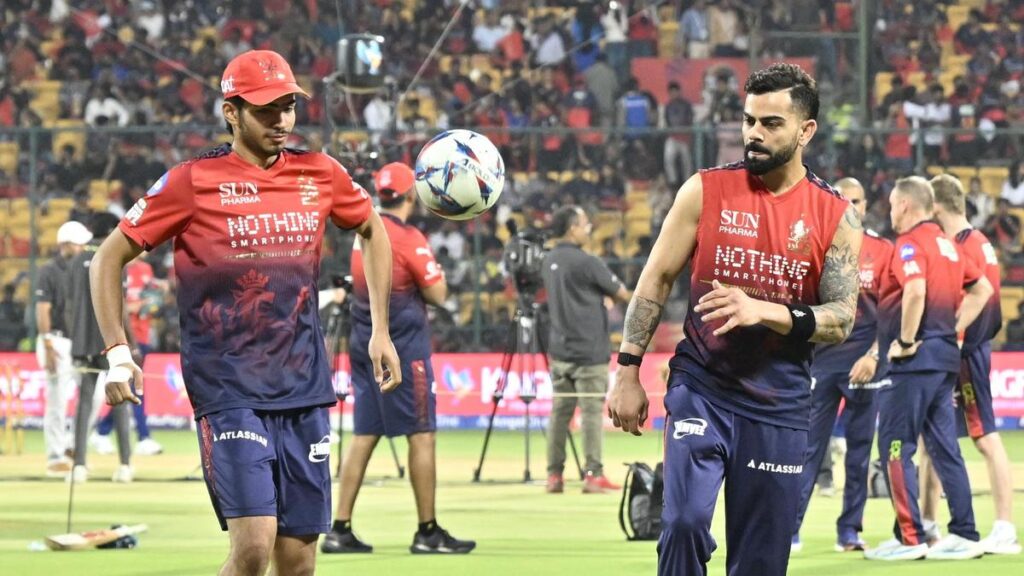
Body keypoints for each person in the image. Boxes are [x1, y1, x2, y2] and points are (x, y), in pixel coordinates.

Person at [89, 50, 402, 576]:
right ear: (231, 112)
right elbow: (107, 258)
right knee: (254, 548)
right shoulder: (192, 181)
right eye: (265, 109)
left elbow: (373, 228)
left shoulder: (321, 173)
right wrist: (118, 353)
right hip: (228, 388)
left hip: (304, 386)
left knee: (298, 562)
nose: (281, 120)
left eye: (288, 107)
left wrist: (381, 331)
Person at [608, 63, 863, 576]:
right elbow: (655, 279)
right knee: (682, 522)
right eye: (749, 120)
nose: (754, 133)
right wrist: (628, 370)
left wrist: (763, 310)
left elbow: (841, 318)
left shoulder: (835, 216)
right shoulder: (704, 191)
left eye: (771, 123)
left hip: (780, 405)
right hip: (702, 387)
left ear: (806, 131)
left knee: (761, 561)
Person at [321, 163, 474, 555]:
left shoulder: (363, 232)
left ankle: (339, 528)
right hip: (403, 348)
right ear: (411, 196)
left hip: (363, 343)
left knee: (364, 435)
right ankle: (427, 531)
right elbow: (437, 294)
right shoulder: (406, 237)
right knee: (421, 434)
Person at [865, 176, 992, 561]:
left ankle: (910, 538)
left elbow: (916, 290)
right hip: (944, 360)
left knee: (894, 446)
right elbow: (983, 289)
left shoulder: (910, 244)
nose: (890, 211)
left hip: (912, 364)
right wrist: (949, 329)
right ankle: (965, 533)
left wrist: (906, 341)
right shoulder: (948, 245)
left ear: (905, 204)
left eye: (892, 204)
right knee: (944, 447)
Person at [791, 178, 894, 553]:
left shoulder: (883, 251)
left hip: (864, 365)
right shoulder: (814, 247)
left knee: (859, 452)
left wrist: (874, 356)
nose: (850, 206)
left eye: (857, 200)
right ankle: (790, 529)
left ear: (865, 206)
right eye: (843, 200)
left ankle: (849, 531)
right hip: (820, 362)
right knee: (806, 449)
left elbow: (891, 313)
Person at [922, 174, 1020, 554]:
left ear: (936, 208)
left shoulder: (961, 247)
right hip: (968, 350)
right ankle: (928, 526)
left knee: (984, 437)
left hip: (965, 353)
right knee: (933, 439)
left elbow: (971, 300)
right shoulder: (979, 241)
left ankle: (1004, 528)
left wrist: (949, 335)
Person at [542, 205, 632, 495]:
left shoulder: (548, 260)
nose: (588, 229)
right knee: (591, 413)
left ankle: (554, 476)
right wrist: (606, 299)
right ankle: (593, 474)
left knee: (559, 414)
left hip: (560, 350)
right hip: (589, 350)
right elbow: (623, 293)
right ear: (572, 228)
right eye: (584, 224)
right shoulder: (588, 262)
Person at [67, 213, 134, 484]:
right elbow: (121, 305)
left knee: (83, 405)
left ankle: (79, 466)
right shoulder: (115, 255)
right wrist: (131, 343)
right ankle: (125, 465)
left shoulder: (75, 261)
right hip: (111, 341)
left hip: (83, 340)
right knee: (120, 402)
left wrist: (75, 339)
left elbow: (70, 304)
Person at [91, 253, 164, 457]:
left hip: (143, 334)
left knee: (130, 386)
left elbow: (152, 297)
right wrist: (134, 307)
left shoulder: (146, 269)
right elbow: (115, 305)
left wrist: (156, 299)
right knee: (134, 386)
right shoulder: (118, 268)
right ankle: (143, 437)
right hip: (124, 338)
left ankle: (102, 432)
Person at [35, 220, 92, 476]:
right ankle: (56, 455)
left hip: (79, 340)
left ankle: (72, 444)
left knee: (94, 396)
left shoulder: (83, 269)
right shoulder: (49, 270)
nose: (82, 248)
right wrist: (47, 343)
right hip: (56, 340)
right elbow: (42, 308)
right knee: (57, 400)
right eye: (79, 244)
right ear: (65, 245)